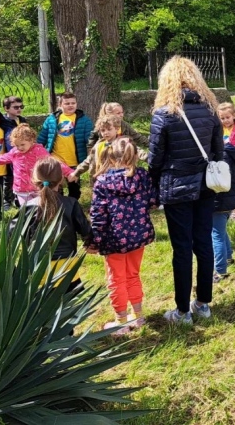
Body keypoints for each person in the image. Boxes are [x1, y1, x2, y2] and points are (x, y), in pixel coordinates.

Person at [148, 56, 223, 324]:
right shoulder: (210, 110)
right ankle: (202, 303)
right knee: (203, 243)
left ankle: (182, 311)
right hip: (204, 185)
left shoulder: (164, 114)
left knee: (181, 248)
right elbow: (218, 151)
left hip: (176, 188)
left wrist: (152, 184)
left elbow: (155, 158)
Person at [87, 137, 157, 334]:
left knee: (116, 279)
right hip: (138, 236)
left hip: (113, 239)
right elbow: (153, 200)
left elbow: (98, 215)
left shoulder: (102, 181)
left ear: (109, 156)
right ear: (135, 156)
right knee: (133, 274)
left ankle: (121, 322)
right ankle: (139, 317)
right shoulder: (142, 176)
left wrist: (96, 241)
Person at [15, 156, 93, 291]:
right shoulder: (71, 203)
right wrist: (90, 243)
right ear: (61, 179)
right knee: (68, 308)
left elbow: (12, 234)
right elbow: (85, 229)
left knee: (42, 308)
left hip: (38, 267)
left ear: (34, 180)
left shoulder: (28, 207)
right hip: (66, 268)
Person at [0, 124, 74, 207]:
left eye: (22, 144)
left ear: (31, 140)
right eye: (17, 145)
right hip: (21, 189)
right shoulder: (15, 152)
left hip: (37, 188)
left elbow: (53, 163)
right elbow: (2, 158)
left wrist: (69, 172)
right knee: (27, 211)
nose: (20, 148)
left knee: (40, 209)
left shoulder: (39, 151)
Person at [37, 92, 93, 200]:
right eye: (67, 103)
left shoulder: (84, 120)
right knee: (57, 188)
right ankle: (59, 208)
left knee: (74, 190)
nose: (71, 105)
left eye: (73, 103)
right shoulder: (52, 119)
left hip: (75, 161)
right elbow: (42, 138)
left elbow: (90, 139)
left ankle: (72, 206)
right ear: (60, 104)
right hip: (56, 160)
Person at [212, 141, 235, 282]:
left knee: (216, 234)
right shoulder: (230, 151)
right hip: (231, 200)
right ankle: (229, 256)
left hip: (218, 201)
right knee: (221, 230)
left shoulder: (216, 154)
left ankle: (220, 271)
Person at [70, 115, 127, 185]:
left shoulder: (123, 143)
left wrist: (144, 156)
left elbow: (136, 150)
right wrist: (77, 172)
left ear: (117, 129)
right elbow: (89, 160)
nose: (106, 132)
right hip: (99, 180)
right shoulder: (99, 145)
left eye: (109, 129)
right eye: (103, 130)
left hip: (117, 181)